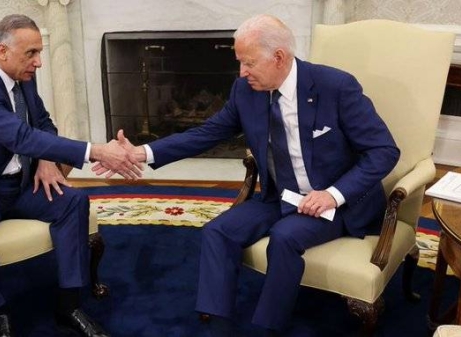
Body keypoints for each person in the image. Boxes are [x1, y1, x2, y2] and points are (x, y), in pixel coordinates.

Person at [100, 14, 400, 336]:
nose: (242, 72)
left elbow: (384, 150)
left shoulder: (335, 87)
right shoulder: (246, 91)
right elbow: (206, 133)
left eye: (249, 63)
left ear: (279, 57)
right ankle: (217, 325)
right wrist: (141, 153)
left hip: (333, 203)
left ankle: (268, 328)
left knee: (285, 237)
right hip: (279, 195)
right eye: (239, 62)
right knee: (218, 230)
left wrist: (333, 194)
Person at [0, 14, 141, 337]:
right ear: (2, 52)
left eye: (39, 52)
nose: (39, 63)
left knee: (74, 203)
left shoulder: (22, 76)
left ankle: (68, 306)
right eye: (31, 53)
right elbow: (19, 137)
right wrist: (96, 150)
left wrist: (45, 158)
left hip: (21, 183)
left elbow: (42, 124)